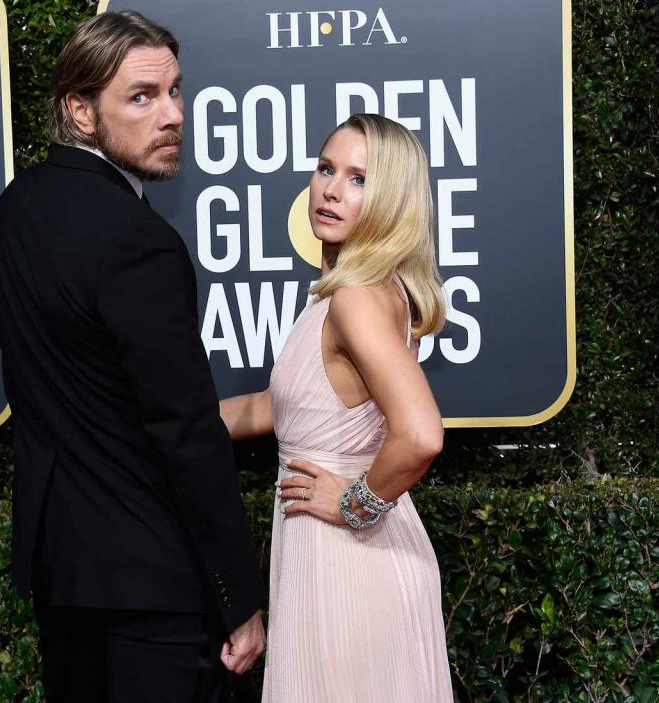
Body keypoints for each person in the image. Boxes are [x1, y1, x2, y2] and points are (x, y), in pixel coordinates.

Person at [0, 11, 265, 702]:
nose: (171, 115)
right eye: (142, 97)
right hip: (152, 580)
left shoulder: (15, 210)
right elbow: (185, 429)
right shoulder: (140, 240)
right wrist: (238, 595)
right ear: (81, 111)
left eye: (175, 91)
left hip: (62, 571)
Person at [220, 114, 454, 702]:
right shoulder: (362, 290)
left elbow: (421, 433)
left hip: (350, 558)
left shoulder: (355, 298)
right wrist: (160, 421)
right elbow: (281, 409)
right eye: (327, 168)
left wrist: (356, 505)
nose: (330, 189)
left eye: (358, 179)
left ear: (392, 200)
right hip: (336, 554)